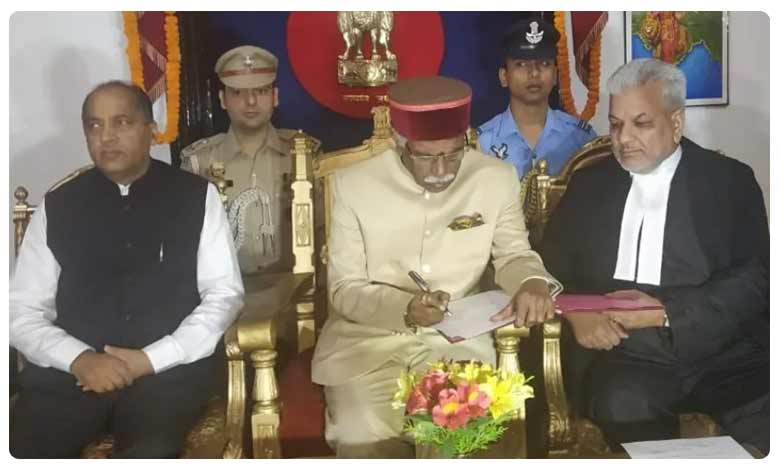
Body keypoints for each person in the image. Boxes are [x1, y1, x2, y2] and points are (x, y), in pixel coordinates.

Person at [311, 75, 562, 458]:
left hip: (457, 343)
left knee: (454, 435)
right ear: (399, 144)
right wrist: (405, 309)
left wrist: (532, 280)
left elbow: (513, 255)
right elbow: (345, 288)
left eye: (452, 154)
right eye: (426, 156)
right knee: (361, 433)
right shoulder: (353, 185)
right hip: (367, 343)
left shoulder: (494, 178)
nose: (442, 168)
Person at [541, 59, 769, 454]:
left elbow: (755, 281)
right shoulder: (589, 184)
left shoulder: (729, 181)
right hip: (630, 352)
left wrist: (665, 312)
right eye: (615, 124)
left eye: (641, 123)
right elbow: (548, 268)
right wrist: (578, 312)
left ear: (676, 123)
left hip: (723, 348)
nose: (623, 138)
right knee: (622, 405)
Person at [10, 81, 244, 458]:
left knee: (152, 449)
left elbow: (224, 295)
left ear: (150, 131)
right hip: (71, 378)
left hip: (166, 376)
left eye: (121, 123)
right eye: (94, 126)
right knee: (27, 447)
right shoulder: (58, 206)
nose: (107, 137)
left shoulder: (196, 197)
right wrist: (79, 359)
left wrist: (150, 359)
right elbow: (21, 312)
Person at [181, 45, 318, 274]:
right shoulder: (198, 163)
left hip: (295, 291)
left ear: (275, 97)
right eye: (238, 92)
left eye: (261, 91)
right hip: (225, 295)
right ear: (222, 99)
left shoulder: (304, 155)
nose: (251, 101)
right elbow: (185, 241)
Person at [478, 18, 596, 178]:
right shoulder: (482, 143)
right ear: (504, 76)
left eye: (544, 64)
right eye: (521, 64)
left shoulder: (580, 138)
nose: (534, 73)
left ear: (555, 76)